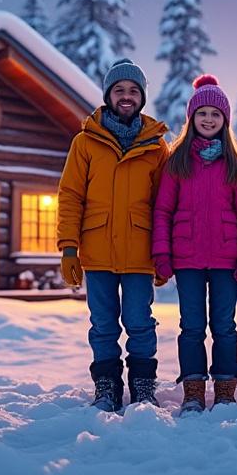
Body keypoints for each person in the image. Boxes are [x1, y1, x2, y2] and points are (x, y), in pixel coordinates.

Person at [57, 58, 169, 413]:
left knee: (139, 322)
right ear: (108, 95)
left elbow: (164, 205)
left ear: (141, 98)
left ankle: (142, 386)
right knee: (103, 324)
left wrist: (164, 252)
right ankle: (106, 387)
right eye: (119, 90)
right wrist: (69, 248)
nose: (126, 96)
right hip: (97, 249)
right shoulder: (85, 142)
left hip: (139, 251)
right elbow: (71, 195)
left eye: (133, 91)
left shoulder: (156, 147)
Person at [151, 75, 237, 414]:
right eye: (203, 113)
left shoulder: (233, 165)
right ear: (192, 118)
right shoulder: (177, 162)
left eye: (216, 114)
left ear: (224, 120)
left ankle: (226, 389)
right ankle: (194, 390)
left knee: (225, 326)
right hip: (187, 259)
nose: (209, 119)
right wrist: (162, 252)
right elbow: (163, 210)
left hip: (227, 259)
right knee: (191, 326)